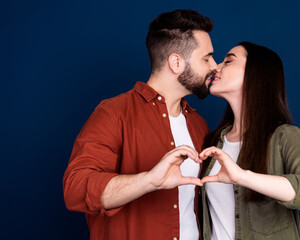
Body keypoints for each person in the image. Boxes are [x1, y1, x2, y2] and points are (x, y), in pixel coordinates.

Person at [63, 9, 218, 240]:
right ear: (176, 62)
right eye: (206, 58)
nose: (214, 66)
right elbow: (75, 189)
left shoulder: (198, 124)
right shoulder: (113, 113)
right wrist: (148, 180)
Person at [199, 41, 300, 240]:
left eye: (228, 61)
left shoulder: (284, 136)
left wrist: (242, 176)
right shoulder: (212, 141)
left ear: (255, 73)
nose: (216, 67)